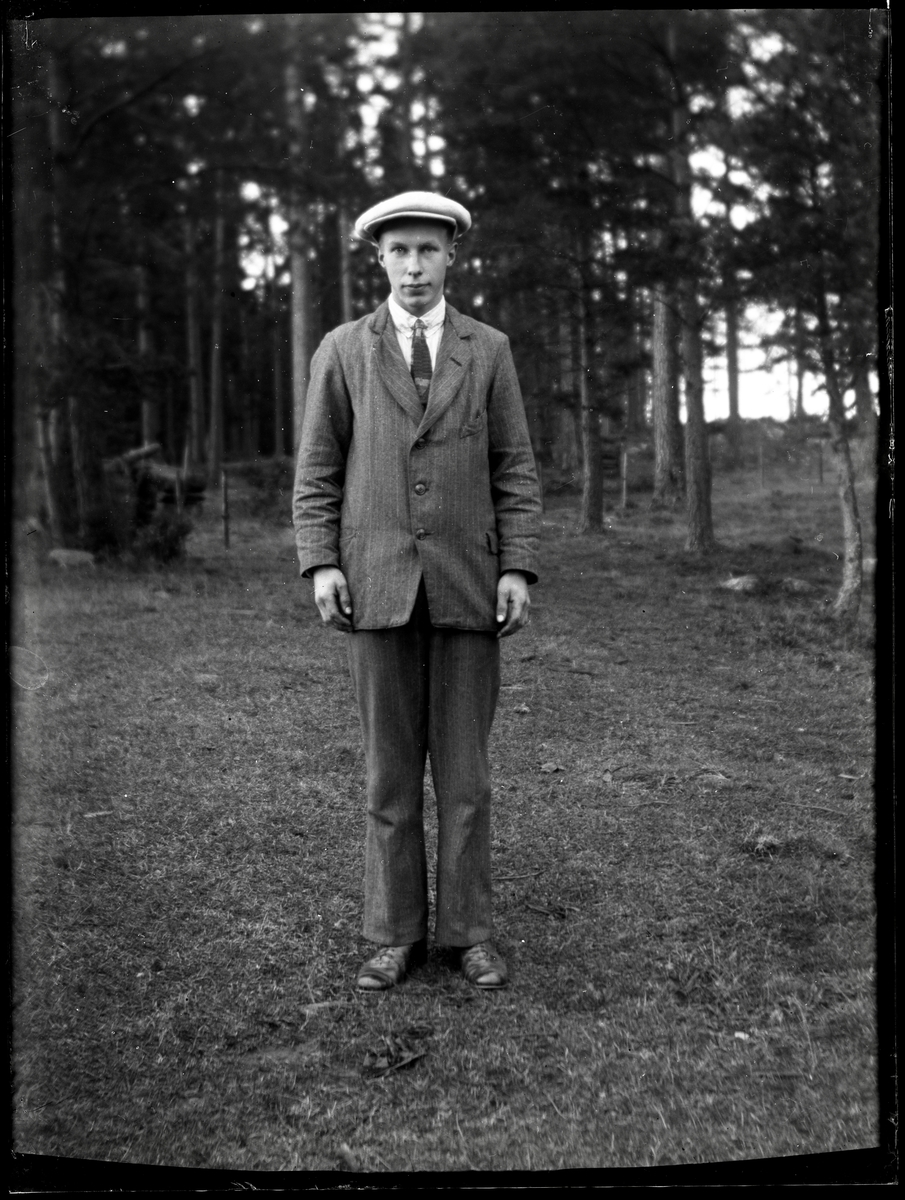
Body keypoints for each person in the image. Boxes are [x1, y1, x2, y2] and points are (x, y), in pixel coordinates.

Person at [292, 190, 541, 991]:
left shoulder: (488, 349)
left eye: (427, 250)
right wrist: (322, 563)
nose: (413, 267)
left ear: (451, 256)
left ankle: (467, 934)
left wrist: (515, 565)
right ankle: (392, 934)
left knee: (466, 779)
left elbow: (515, 468)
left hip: (469, 585)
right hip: (376, 586)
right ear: (379, 258)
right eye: (398, 251)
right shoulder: (342, 349)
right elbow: (317, 469)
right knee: (388, 777)